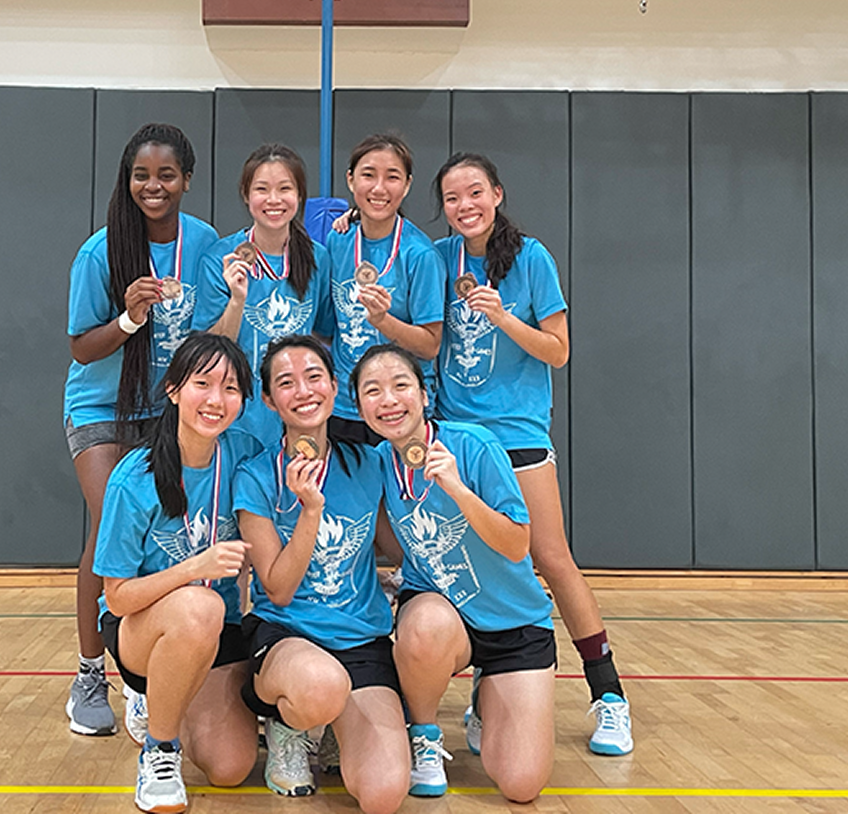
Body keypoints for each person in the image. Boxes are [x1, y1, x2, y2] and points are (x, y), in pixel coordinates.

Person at [433, 152, 633, 756]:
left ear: (497, 193)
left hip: (517, 433)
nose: (464, 206)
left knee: (549, 555)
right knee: (470, 569)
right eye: (451, 198)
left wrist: (502, 318)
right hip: (456, 436)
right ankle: (484, 695)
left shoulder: (531, 257)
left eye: (475, 193)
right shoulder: (437, 258)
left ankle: (609, 696)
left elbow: (558, 351)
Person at [64, 123, 218, 738]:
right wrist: (130, 317)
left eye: (165, 174)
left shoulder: (204, 241)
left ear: (186, 179)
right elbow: (80, 347)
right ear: (127, 180)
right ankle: (87, 673)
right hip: (102, 408)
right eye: (141, 175)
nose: (152, 186)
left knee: (162, 540)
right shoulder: (100, 250)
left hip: (164, 409)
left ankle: (146, 676)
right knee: (110, 531)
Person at [353, 343, 556, 804]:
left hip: (514, 622)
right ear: (360, 406)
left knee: (521, 784)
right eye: (373, 391)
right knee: (423, 623)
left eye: (401, 386)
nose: (388, 400)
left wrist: (458, 490)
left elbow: (517, 543)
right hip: (444, 616)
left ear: (424, 395)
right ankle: (424, 734)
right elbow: (384, 542)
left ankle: (486, 698)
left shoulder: (473, 444)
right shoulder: (379, 464)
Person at [233, 335, 410, 812]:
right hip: (289, 638)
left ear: (335, 387)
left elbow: (396, 545)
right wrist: (310, 512)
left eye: (314, 377)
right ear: (269, 400)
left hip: (361, 642)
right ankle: (290, 726)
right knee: (319, 686)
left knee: (383, 793)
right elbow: (279, 587)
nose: (304, 391)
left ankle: (332, 727)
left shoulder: (369, 463)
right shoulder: (254, 476)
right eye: (286, 383)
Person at [93, 332, 261, 814]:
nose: (216, 400)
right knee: (199, 604)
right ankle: (159, 748)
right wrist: (195, 568)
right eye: (202, 384)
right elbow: (119, 597)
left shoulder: (244, 454)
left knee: (229, 768)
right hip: (139, 625)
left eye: (230, 389)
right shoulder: (135, 476)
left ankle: (176, 694)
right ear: (172, 389)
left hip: (216, 627)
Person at [193, 144, 329, 446]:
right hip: (236, 420)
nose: (274, 199)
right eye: (262, 189)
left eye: (285, 188)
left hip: (297, 415)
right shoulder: (220, 259)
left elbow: (325, 331)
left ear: (300, 195)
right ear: (246, 194)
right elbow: (209, 351)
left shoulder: (318, 258)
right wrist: (237, 301)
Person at [323, 133, 445, 446]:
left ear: (406, 185)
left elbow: (430, 346)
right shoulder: (338, 240)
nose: (379, 188)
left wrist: (383, 321)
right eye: (368, 175)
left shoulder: (420, 255)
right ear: (350, 181)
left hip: (400, 408)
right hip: (345, 407)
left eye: (392, 177)